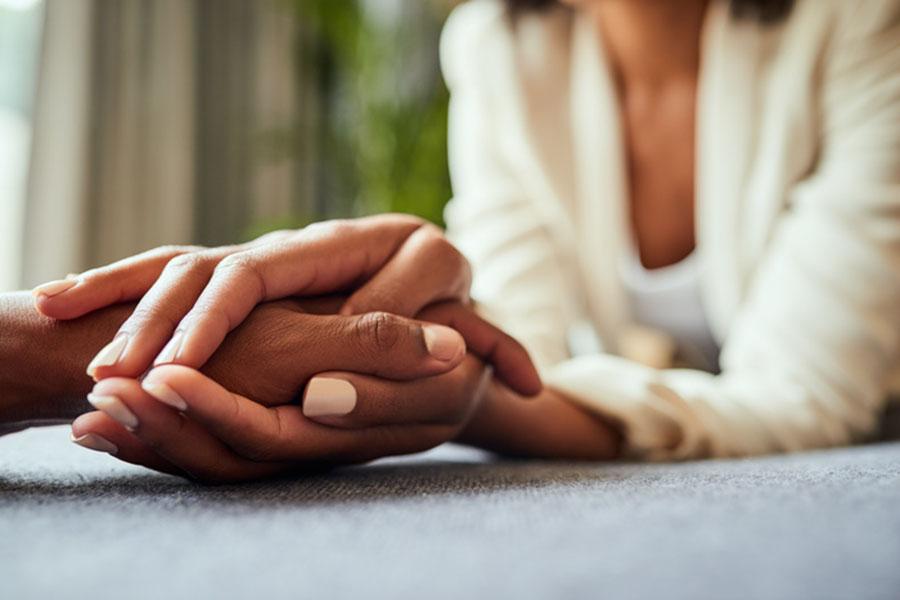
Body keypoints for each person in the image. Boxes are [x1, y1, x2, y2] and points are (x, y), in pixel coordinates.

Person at [17, 0, 900, 478]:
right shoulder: (496, 42)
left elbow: (804, 395)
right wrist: (402, 346)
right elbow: (516, 351)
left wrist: (458, 389)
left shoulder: (864, 24)